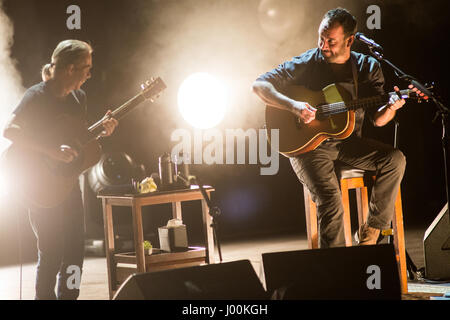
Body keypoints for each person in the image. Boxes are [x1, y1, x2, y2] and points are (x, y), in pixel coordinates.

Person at [253, 8, 422, 248]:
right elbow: (259, 85)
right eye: (320, 38)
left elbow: (378, 119)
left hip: (349, 142)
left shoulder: (367, 67)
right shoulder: (307, 63)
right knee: (331, 202)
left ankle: (371, 234)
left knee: (395, 160)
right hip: (308, 148)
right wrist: (293, 106)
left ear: (349, 40)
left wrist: (392, 108)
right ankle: (336, 271)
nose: (323, 46)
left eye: (330, 41)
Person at [3, 39, 118, 299]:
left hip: (67, 184)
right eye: (86, 67)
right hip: (40, 186)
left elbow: (77, 139)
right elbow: (10, 130)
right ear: (69, 69)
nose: (90, 74)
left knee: (75, 251)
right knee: (52, 251)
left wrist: (103, 131)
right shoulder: (37, 95)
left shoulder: (79, 98)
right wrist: (50, 151)